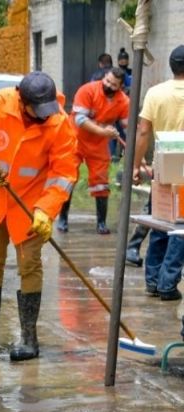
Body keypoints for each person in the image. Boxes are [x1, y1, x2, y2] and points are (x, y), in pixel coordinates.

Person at [0, 72, 79, 360]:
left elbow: (63, 173)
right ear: (22, 101)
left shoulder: (58, 121)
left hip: (31, 203)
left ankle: (28, 338)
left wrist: (46, 210)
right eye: (36, 111)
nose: (43, 117)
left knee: (30, 266)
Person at [133, 45, 184, 302]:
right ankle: (167, 284)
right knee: (181, 229)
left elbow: (143, 132)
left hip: (162, 168)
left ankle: (153, 282)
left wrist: (135, 164)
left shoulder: (155, 93)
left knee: (160, 223)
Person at [59, 67, 129, 234]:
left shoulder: (123, 101)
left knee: (101, 183)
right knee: (68, 178)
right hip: (75, 139)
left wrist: (135, 142)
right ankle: (62, 218)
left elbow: (128, 126)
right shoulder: (87, 90)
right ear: (104, 77)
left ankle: (101, 223)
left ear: (120, 87)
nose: (108, 85)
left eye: (113, 84)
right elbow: (80, 119)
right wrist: (103, 132)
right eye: (107, 81)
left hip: (97, 145)